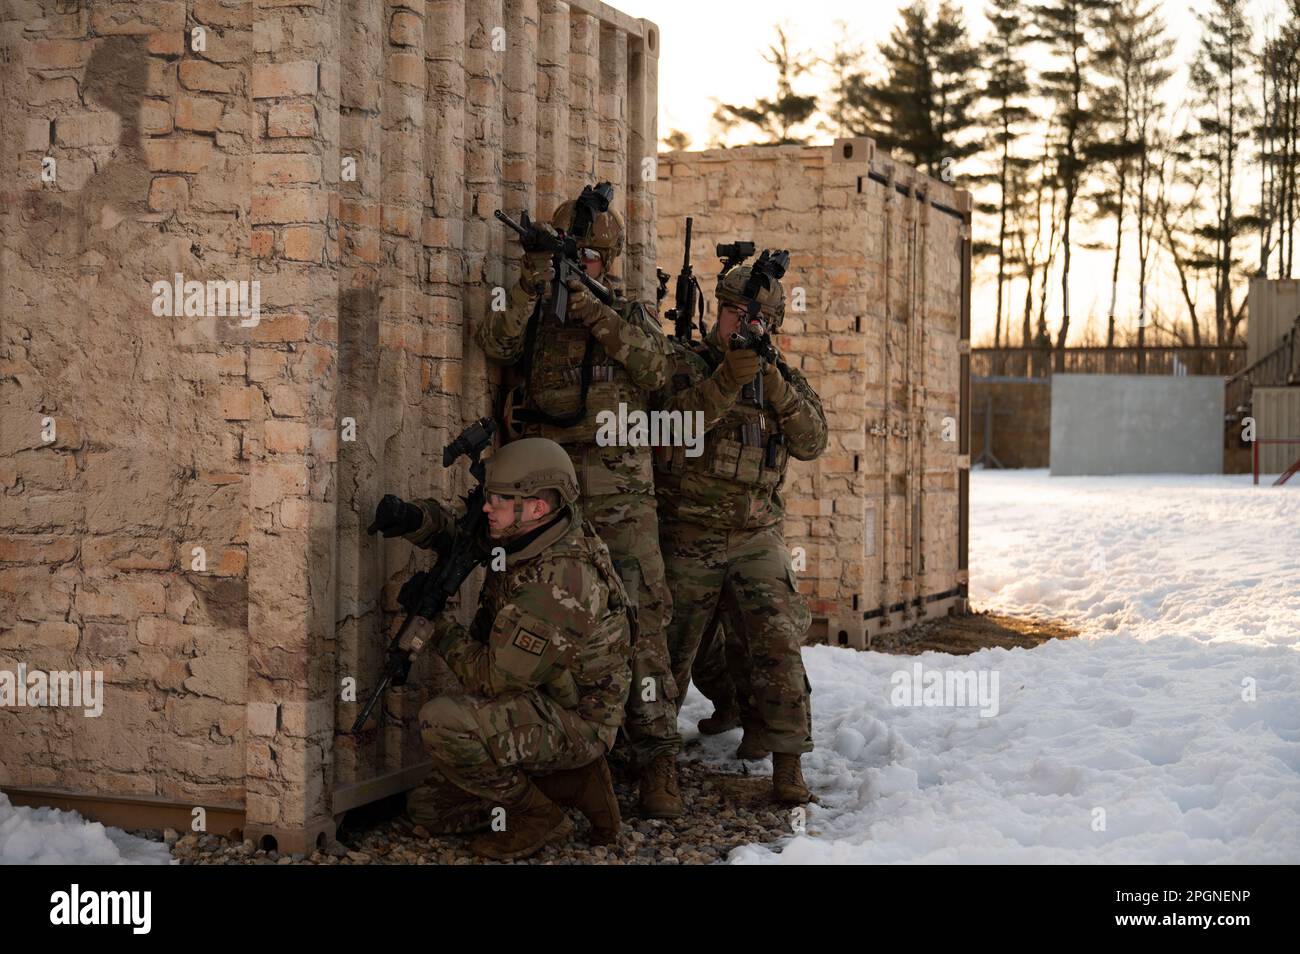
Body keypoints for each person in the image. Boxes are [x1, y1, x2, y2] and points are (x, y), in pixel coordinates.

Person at [475, 188, 683, 817]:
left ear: (606, 261)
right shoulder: (537, 308)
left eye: (587, 259)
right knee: (532, 612)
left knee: (643, 624)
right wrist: (535, 280)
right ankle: (563, 758)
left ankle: (657, 763)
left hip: (620, 498)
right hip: (548, 502)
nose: (580, 268)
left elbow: (658, 372)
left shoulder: (627, 312)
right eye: (574, 257)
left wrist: (590, 306)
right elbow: (497, 342)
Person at [368, 438, 631, 860]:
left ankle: (538, 816)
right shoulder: (532, 529)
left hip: (580, 719)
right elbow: (463, 528)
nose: (488, 507)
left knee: (444, 722)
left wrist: (437, 626)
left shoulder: (560, 583)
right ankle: (573, 783)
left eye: (499, 500)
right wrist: (414, 519)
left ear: (537, 507)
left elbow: (492, 678)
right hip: (544, 693)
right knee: (429, 811)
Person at [652, 257, 828, 803]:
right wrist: (727, 380)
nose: (739, 324)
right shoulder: (684, 364)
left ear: (771, 325)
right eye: (731, 312)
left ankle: (787, 764)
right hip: (687, 534)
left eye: (752, 317)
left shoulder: (782, 379)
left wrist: (771, 382)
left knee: (777, 643)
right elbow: (667, 433)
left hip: (756, 535)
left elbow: (812, 441)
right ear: (716, 313)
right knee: (665, 653)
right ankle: (655, 766)